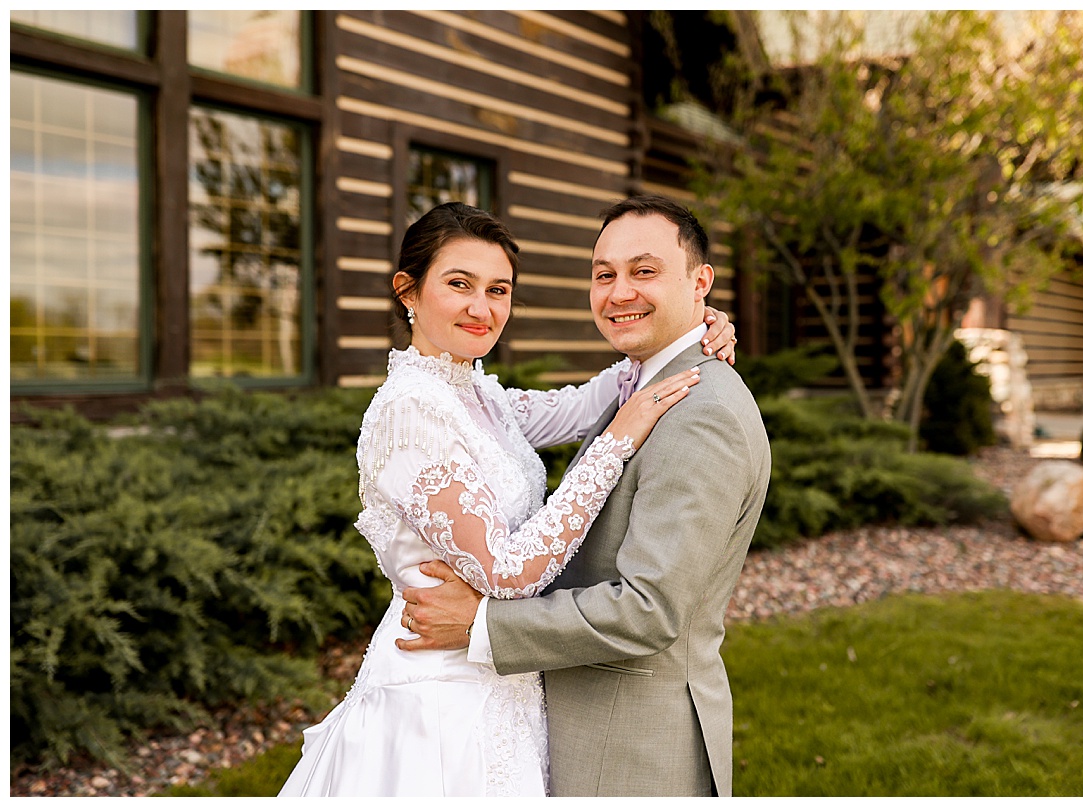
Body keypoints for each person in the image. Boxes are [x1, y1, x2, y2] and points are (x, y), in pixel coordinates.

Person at [277, 201, 738, 797]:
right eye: (459, 284)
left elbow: (592, 399)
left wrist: (695, 322)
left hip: (504, 677)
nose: (482, 308)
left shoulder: (479, 397)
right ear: (408, 291)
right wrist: (616, 444)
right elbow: (506, 572)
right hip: (440, 692)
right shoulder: (409, 413)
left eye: (498, 289)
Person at [396, 195, 772, 797]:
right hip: (477, 702)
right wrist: (691, 323)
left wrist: (482, 624)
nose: (620, 292)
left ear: (700, 281)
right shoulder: (640, 387)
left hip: (627, 746)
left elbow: (649, 609)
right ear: (408, 291)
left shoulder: (700, 414)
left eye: (644, 271)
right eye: (604, 275)